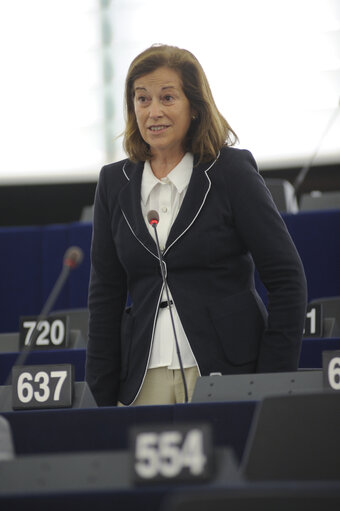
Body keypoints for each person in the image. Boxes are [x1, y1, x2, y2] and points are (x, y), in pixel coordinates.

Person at [85, 44, 307, 407]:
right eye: (142, 99)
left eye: (167, 98)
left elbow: (287, 277)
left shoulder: (230, 172)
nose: (153, 111)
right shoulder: (114, 183)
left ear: (195, 106)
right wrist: (100, 397)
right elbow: (105, 297)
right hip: (143, 380)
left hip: (228, 373)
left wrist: (273, 378)